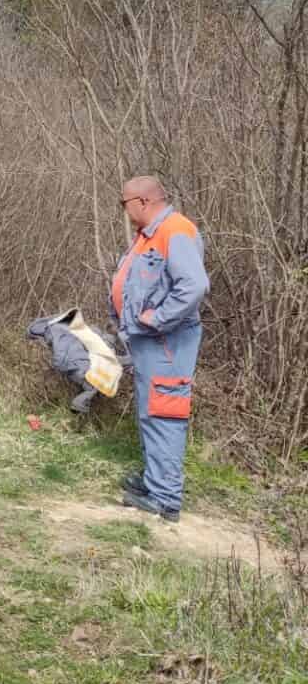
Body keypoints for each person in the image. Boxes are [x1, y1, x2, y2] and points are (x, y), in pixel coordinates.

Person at [110, 175, 208, 522]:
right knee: (152, 411)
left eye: (125, 203)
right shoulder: (149, 234)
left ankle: (166, 497)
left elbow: (194, 286)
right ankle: (154, 482)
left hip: (167, 341)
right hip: (150, 342)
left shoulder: (175, 231)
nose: (124, 210)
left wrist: (158, 319)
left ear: (142, 202)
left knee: (165, 411)